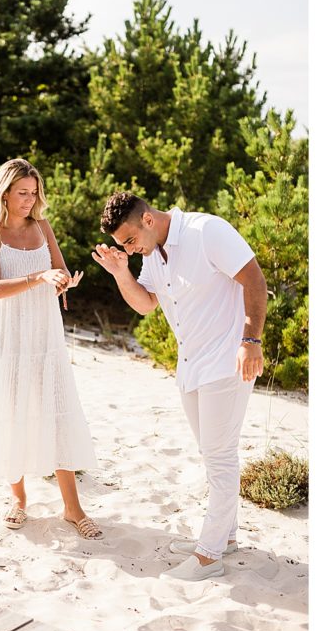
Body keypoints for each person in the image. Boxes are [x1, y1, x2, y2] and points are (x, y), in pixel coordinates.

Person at [93, 192, 266, 581]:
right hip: (190, 366)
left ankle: (209, 557)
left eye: (130, 241)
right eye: (124, 246)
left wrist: (251, 340)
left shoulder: (207, 231)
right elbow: (147, 304)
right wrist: (121, 271)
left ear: (148, 220)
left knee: (221, 459)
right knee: (211, 454)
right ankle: (227, 537)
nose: (131, 249)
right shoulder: (153, 253)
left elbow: (255, 279)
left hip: (227, 362)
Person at [0, 159, 101, 540]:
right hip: (6, 331)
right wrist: (39, 277)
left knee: (55, 409)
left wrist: (63, 283)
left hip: (43, 330)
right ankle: (18, 499)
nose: (30, 199)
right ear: (4, 192)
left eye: (34, 192)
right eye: (23, 192)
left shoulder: (42, 226)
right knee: (10, 408)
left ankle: (72, 507)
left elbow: (58, 270)